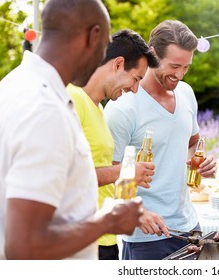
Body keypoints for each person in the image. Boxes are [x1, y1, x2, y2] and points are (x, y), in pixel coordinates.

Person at [0, 0, 143, 260]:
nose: (103, 57)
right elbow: (24, 247)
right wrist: (107, 222)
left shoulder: (13, 84)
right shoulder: (44, 109)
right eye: (104, 45)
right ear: (93, 35)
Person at [104, 20, 216, 260]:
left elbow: (192, 142)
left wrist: (199, 161)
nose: (180, 74)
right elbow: (109, 175)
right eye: (174, 66)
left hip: (189, 227)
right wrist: (138, 211)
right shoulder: (122, 108)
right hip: (147, 238)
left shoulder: (186, 93)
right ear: (153, 55)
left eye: (186, 67)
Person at [67, 29, 161, 260]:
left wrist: (137, 212)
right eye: (136, 78)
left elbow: (100, 180)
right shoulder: (72, 99)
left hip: (105, 238)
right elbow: (65, 175)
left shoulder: (98, 108)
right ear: (118, 64)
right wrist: (127, 171)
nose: (135, 88)